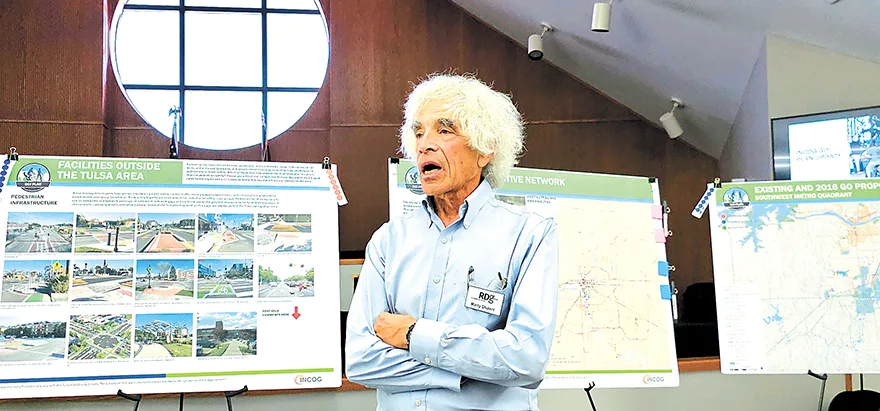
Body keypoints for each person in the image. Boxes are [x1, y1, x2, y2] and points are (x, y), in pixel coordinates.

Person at [345, 74, 559, 410]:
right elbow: (361, 359)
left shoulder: (530, 235)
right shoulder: (389, 240)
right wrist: (467, 371)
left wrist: (415, 336)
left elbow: (526, 358)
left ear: (485, 149)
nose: (424, 144)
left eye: (444, 130)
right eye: (418, 132)